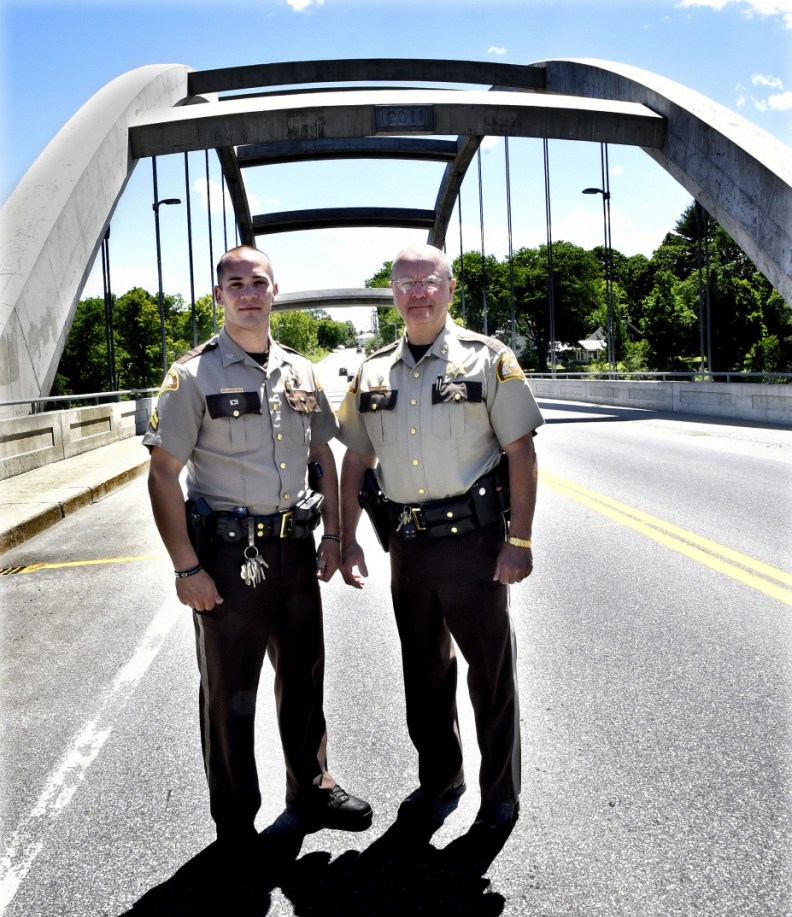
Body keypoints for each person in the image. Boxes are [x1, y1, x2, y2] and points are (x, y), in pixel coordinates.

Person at [144, 244, 372, 847]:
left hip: (294, 552)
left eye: (259, 282)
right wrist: (185, 568)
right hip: (225, 556)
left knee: (304, 678)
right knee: (230, 694)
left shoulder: (300, 372)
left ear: (275, 292)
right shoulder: (191, 376)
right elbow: (163, 474)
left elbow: (322, 454)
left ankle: (312, 787)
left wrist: (334, 535)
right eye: (235, 283)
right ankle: (236, 824)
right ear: (219, 296)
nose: (248, 293)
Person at [337, 243, 543, 834]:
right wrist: (347, 538)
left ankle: (499, 793)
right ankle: (440, 777)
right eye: (405, 283)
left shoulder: (488, 359)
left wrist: (519, 541)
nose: (417, 292)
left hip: (474, 546)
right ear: (394, 293)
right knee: (423, 674)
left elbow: (521, 451)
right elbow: (356, 459)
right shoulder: (373, 372)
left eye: (429, 281)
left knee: (490, 674)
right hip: (407, 547)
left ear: (450, 289)